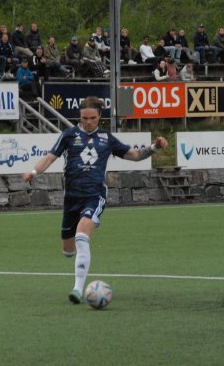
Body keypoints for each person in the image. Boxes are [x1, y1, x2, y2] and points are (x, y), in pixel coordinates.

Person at [22, 96, 168, 303]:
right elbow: (49, 157)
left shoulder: (107, 139)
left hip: (94, 195)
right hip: (71, 198)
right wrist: (34, 171)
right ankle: (77, 252)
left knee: (82, 237)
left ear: (100, 116)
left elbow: (134, 155)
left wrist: (154, 147)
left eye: (92, 118)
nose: (88, 122)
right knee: (68, 250)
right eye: (84, 118)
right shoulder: (69, 135)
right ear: (80, 117)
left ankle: (77, 289)